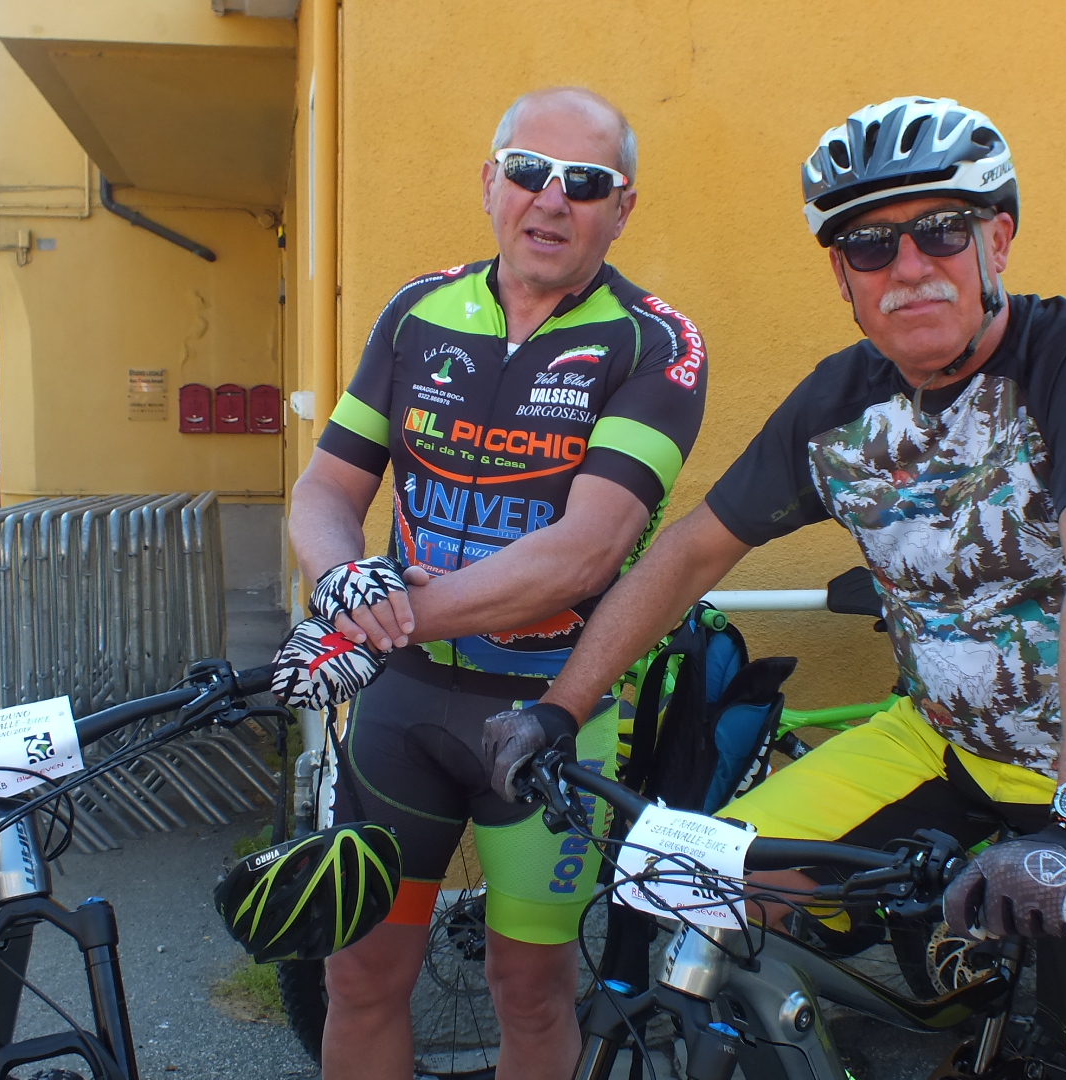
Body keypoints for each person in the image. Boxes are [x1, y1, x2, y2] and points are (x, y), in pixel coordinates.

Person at [480, 96, 1066, 1080]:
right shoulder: (838, 406)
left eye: (939, 231)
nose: (906, 266)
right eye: (869, 245)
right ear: (841, 276)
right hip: (947, 743)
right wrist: (560, 709)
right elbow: (689, 552)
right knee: (693, 876)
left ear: (997, 240)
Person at [276, 86, 708, 1080]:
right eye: (528, 171)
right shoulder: (416, 313)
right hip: (401, 708)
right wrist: (344, 580)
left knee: (530, 989)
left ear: (622, 208)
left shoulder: (654, 342)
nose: (552, 199)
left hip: (548, 712)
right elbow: (326, 490)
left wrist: (379, 619)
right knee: (360, 978)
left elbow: (583, 553)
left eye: (585, 182)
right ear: (489, 183)